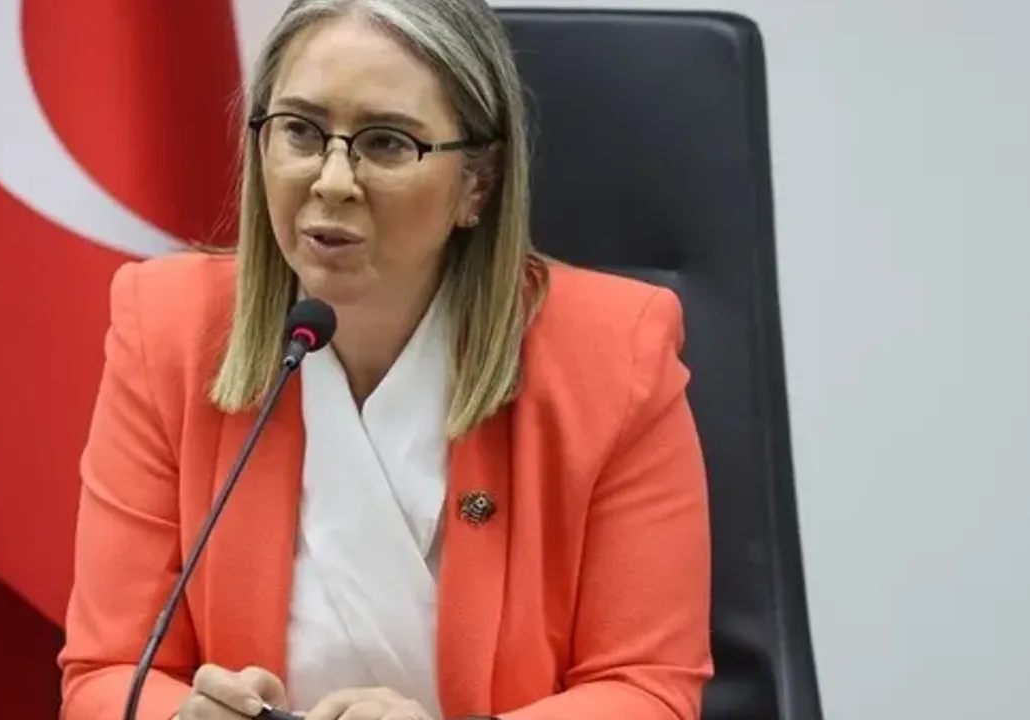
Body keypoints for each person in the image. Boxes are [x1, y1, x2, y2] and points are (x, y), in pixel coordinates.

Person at [57, 0, 714, 718]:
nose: (332, 181)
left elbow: (649, 691)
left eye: (387, 143)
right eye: (300, 131)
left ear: (477, 182)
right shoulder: (168, 328)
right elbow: (106, 673)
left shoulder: (616, 355)